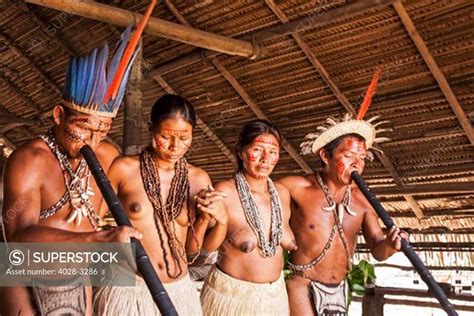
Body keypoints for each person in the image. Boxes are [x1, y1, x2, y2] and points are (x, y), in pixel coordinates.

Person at [0, 11, 154, 315]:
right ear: (59, 115)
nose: (91, 141)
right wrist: (101, 238)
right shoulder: (30, 159)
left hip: (85, 276)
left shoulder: (107, 156)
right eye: (83, 127)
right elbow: (19, 237)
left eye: (102, 131)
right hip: (28, 276)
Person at [278, 70, 408, 315]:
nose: (356, 164)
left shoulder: (362, 199)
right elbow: (262, 193)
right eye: (348, 157)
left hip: (340, 289)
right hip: (301, 284)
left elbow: (378, 250)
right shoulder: (295, 188)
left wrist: (392, 244)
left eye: (361, 158)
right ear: (326, 156)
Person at [94, 94, 228, 315]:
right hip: (129, 288)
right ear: (150, 128)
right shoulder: (124, 168)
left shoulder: (198, 179)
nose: (175, 146)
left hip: (179, 290)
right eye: (165, 136)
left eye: (184, 138)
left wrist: (214, 220)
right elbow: (92, 223)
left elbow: (194, 252)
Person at [198, 119, 296, 316]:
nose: (265, 158)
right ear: (241, 151)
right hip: (230, 298)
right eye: (258, 149)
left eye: (273, 151)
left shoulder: (282, 193)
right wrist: (220, 220)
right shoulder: (225, 191)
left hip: (274, 298)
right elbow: (205, 248)